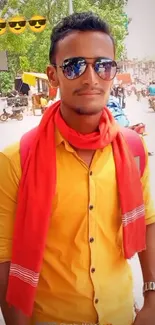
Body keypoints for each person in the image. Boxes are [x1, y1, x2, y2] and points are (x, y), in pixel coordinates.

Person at [0, 12, 155, 325]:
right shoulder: (16, 160)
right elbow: (5, 256)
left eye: (103, 65)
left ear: (113, 72)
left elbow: (148, 222)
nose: (91, 78)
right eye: (74, 66)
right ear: (53, 75)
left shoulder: (133, 149)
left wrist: (152, 297)